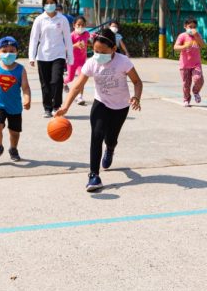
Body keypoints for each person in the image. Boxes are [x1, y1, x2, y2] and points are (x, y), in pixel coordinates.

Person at [56, 28, 143, 192]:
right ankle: (93, 175)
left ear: (114, 49)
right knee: (96, 136)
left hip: (121, 106)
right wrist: (65, 106)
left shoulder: (123, 61)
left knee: (111, 138)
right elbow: (77, 86)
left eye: (103, 52)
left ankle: (110, 149)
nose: (98, 54)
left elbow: (137, 82)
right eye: (96, 51)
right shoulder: (91, 62)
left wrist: (136, 97)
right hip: (101, 103)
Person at [29, 0, 74, 118]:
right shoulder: (39, 19)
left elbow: (68, 39)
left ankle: (56, 106)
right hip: (43, 56)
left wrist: (70, 58)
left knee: (56, 81)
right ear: (43, 5)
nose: (49, 5)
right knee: (45, 83)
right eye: (47, 3)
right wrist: (31, 57)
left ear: (56, 3)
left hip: (58, 55)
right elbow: (34, 38)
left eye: (52, 2)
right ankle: (47, 108)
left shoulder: (62, 19)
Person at [173, 17, 205, 106]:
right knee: (186, 84)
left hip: (196, 64)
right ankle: (186, 99)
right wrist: (184, 46)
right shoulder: (182, 36)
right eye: (190, 27)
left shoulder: (197, 35)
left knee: (199, 79)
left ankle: (196, 91)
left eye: (194, 27)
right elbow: (175, 47)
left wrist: (197, 36)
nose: (192, 29)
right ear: (185, 27)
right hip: (185, 65)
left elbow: (202, 45)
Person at [63, 15, 90, 105]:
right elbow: (65, 48)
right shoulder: (71, 36)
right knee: (70, 78)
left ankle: (80, 97)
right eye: (78, 24)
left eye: (82, 25)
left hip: (82, 61)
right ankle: (63, 82)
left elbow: (88, 42)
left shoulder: (86, 34)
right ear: (74, 25)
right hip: (71, 61)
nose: (80, 27)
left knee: (81, 77)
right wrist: (75, 45)